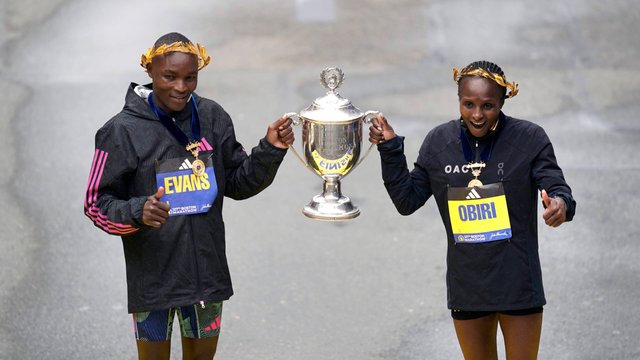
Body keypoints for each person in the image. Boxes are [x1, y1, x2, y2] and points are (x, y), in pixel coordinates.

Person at [83, 32, 294, 360]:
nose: (181, 87)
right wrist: (139, 211)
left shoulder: (212, 117)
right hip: (154, 283)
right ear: (150, 71)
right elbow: (96, 204)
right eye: (170, 77)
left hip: (206, 279)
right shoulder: (121, 131)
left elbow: (237, 183)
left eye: (190, 77)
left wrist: (270, 150)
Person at [368, 60, 576, 360]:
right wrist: (389, 149)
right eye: (468, 104)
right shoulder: (439, 142)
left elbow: (557, 188)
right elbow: (407, 200)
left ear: (503, 101)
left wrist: (560, 205)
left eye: (488, 105)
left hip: (517, 283)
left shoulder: (529, 139)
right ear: (459, 101)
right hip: (469, 286)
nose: (477, 114)